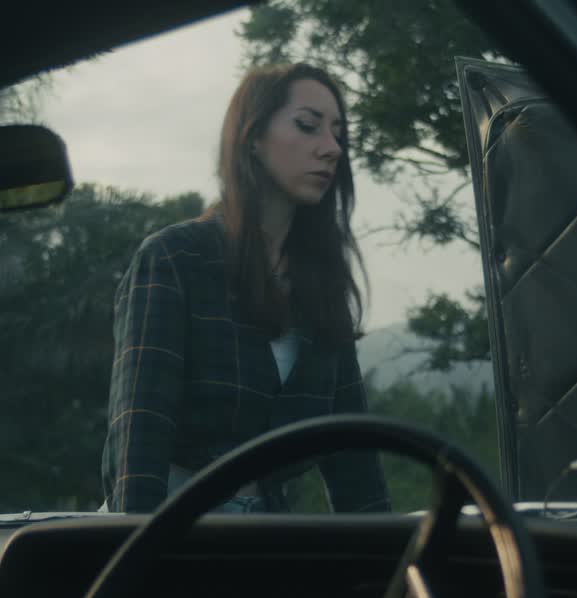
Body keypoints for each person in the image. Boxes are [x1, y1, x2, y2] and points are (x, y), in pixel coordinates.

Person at [100, 62, 391, 514]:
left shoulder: (322, 288)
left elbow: (356, 463)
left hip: (266, 543)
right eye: (308, 126)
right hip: (168, 531)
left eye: (338, 134)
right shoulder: (175, 259)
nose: (331, 148)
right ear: (253, 138)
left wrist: (392, 569)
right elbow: (139, 440)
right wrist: (136, 564)